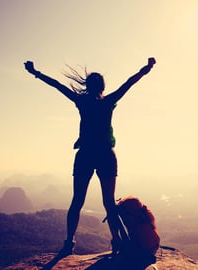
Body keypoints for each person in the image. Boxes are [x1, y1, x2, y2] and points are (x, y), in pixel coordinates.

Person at [24, 57, 156, 257]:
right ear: (102, 87)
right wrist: (146, 69)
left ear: (87, 86)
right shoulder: (109, 101)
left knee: (77, 201)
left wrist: (36, 73)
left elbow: (57, 85)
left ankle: (69, 243)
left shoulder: (82, 101)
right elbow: (129, 82)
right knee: (109, 203)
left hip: (85, 155)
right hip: (106, 155)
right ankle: (117, 242)